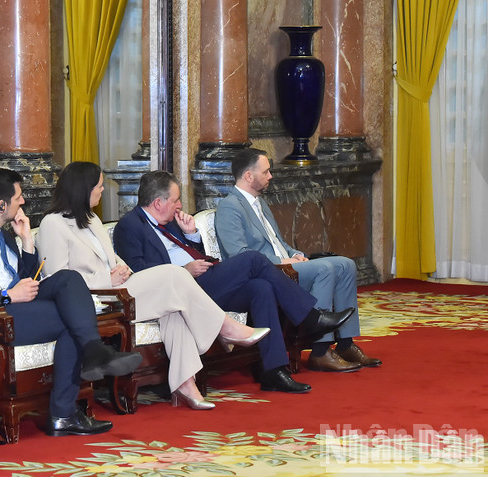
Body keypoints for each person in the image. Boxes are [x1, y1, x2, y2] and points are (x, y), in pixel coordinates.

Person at [36, 162, 270, 410]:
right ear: (83, 188)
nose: (103, 190)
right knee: (173, 275)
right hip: (94, 298)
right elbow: (57, 279)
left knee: (173, 306)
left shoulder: (92, 219)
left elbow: (111, 259)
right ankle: (225, 327)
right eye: (99, 186)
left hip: (121, 286)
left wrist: (122, 268)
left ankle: (185, 384)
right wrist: (107, 279)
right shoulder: (53, 224)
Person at [0, 167, 142, 436]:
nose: (23, 202)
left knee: (68, 278)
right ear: (1, 204)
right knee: (72, 320)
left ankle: (86, 366)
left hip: (18, 307)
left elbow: (27, 280)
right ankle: (68, 405)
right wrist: (7, 295)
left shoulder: (6, 236)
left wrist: (27, 241)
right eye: (18, 197)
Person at [113, 170, 354, 394]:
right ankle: (310, 318)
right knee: (252, 259)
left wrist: (191, 235)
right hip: (182, 290)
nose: (179, 205)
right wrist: (183, 270)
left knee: (262, 288)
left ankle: (273, 370)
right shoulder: (130, 227)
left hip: (205, 281)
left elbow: (193, 252)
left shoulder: (172, 220)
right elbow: (142, 272)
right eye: (175, 200)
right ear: (158, 203)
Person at [215, 148, 381, 371]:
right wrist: (280, 261)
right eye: (266, 172)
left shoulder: (259, 202)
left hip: (285, 264)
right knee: (324, 269)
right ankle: (320, 352)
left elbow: (277, 240)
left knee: (345, 264)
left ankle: (345, 343)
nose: (271, 176)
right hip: (269, 271)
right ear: (248, 176)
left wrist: (293, 254)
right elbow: (239, 255)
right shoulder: (229, 207)